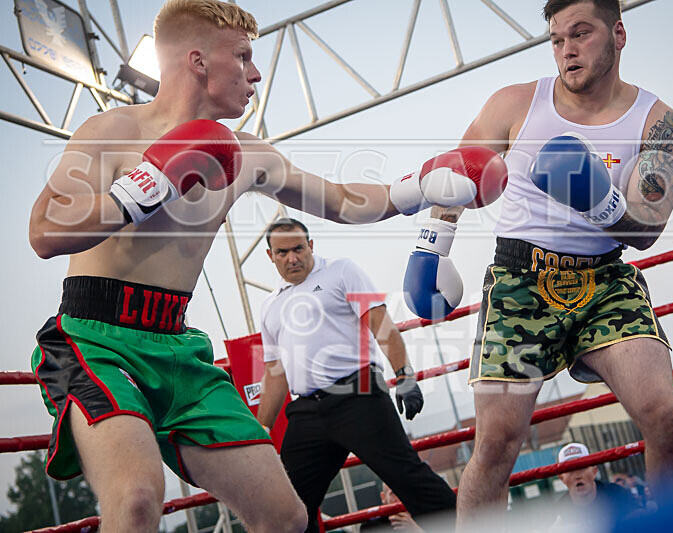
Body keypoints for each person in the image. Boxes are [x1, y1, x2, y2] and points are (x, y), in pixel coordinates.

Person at [27, 1, 503, 530]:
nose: (256, 73)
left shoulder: (246, 155)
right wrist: (139, 191)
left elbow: (343, 200)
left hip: (176, 346)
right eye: (244, 56)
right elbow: (44, 232)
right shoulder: (111, 130)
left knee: (286, 517)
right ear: (198, 60)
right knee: (139, 498)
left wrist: (414, 189)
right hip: (96, 339)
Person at [402, 0, 673, 527]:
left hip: (605, 280)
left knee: (662, 414)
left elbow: (648, 230)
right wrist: (433, 244)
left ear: (618, 34)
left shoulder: (657, 121)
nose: (568, 49)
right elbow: (458, 174)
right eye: (558, 39)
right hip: (521, 281)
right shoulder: (515, 103)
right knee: (495, 443)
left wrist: (598, 200)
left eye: (581, 34)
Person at [256, 219, 456, 533]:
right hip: (307, 411)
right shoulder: (270, 305)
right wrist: (261, 429)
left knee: (407, 477)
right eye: (282, 252)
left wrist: (404, 375)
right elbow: (275, 372)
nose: (291, 258)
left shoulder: (341, 271)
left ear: (311, 246)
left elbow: (380, 323)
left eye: (298, 248)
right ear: (270, 256)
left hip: (358, 395)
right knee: (288, 506)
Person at [548, 443, 642, 529]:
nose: (577, 476)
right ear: (561, 478)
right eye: (570, 470)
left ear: (594, 471)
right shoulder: (559, 511)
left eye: (582, 467)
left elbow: (642, 524)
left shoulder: (617, 494)